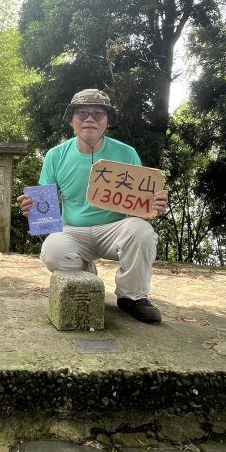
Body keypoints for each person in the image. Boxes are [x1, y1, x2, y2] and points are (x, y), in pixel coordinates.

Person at [17, 89, 169, 324]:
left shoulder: (127, 153)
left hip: (115, 229)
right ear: (71, 120)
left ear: (108, 121)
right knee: (52, 251)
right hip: (73, 231)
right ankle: (87, 277)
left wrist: (155, 206)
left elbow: (141, 206)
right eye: (82, 113)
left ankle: (132, 297)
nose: (90, 119)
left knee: (141, 231)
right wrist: (33, 208)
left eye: (98, 114)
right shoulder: (55, 156)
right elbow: (44, 207)